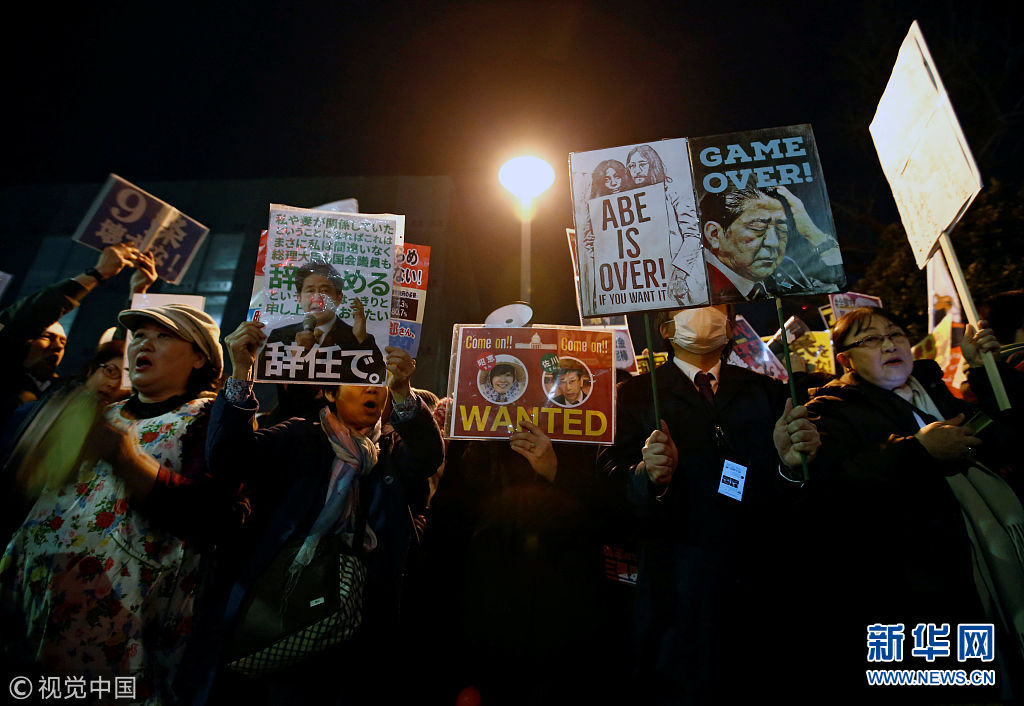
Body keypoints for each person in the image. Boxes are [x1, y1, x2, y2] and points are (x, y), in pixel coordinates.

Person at [181, 319, 443, 705]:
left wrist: (404, 391)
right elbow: (227, 458)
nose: (372, 387)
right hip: (286, 607)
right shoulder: (298, 436)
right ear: (330, 391)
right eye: (358, 378)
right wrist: (241, 373)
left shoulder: (390, 451)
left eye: (378, 379)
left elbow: (427, 457)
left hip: (361, 618)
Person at [0, 303, 226, 704]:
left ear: (199, 358)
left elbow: (205, 514)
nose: (144, 344)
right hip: (31, 606)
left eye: (164, 336)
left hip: (120, 621)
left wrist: (125, 456)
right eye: (139, 336)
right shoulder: (101, 413)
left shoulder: (207, 420)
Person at [599, 304, 821, 705]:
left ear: (731, 325)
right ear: (665, 328)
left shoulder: (767, 391)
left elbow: (791, 492)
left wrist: (791, 466)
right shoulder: (634, 395)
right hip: (679, 585)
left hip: (760, 579)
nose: (704, 311)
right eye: (690, 304)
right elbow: (610, 478)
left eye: (714, 303)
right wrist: (648, 476)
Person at [802, 307, 1024, 699]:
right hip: (916, 583)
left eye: (895, 334)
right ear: (846, 360)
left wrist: (985, 370)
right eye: (871, 339)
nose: (889, 345)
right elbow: (840, 482)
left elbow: (1006, 439)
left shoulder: (935, 389)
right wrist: (918, 451)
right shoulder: (830, 410)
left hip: (988, 556)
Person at [0, 243, 151, 428]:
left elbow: (121, 352)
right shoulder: (8, 377)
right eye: (47, 337)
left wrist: (138, 293)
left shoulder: (64, 391)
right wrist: (97, 273)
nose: (57, 346)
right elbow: (28, 317)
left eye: (63, 342)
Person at [700, 185, 844, 302]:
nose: (774, 242)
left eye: (782, 229)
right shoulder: (697, 290)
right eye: (758, 227)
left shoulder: (783, 275)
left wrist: (813, 233)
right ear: (714, 234)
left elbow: (837, 286)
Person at [260, 261, 386, 387]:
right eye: (310, 291)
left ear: (339, 298)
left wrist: (362, 339)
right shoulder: (280, 336)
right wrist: (297, 355)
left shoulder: (359, 337)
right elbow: (264, 381)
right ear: (299, 298)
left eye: (325, 291)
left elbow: (376, 378)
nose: (317, 298)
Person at [625, 144, 706, 306]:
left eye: (642, 164)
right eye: (632, 166)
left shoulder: (674, 191)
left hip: (684, 280)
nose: (637, 170)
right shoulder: (630, 200)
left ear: (653, 164)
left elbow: (693, 236)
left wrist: (679, 275)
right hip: (652, 282)